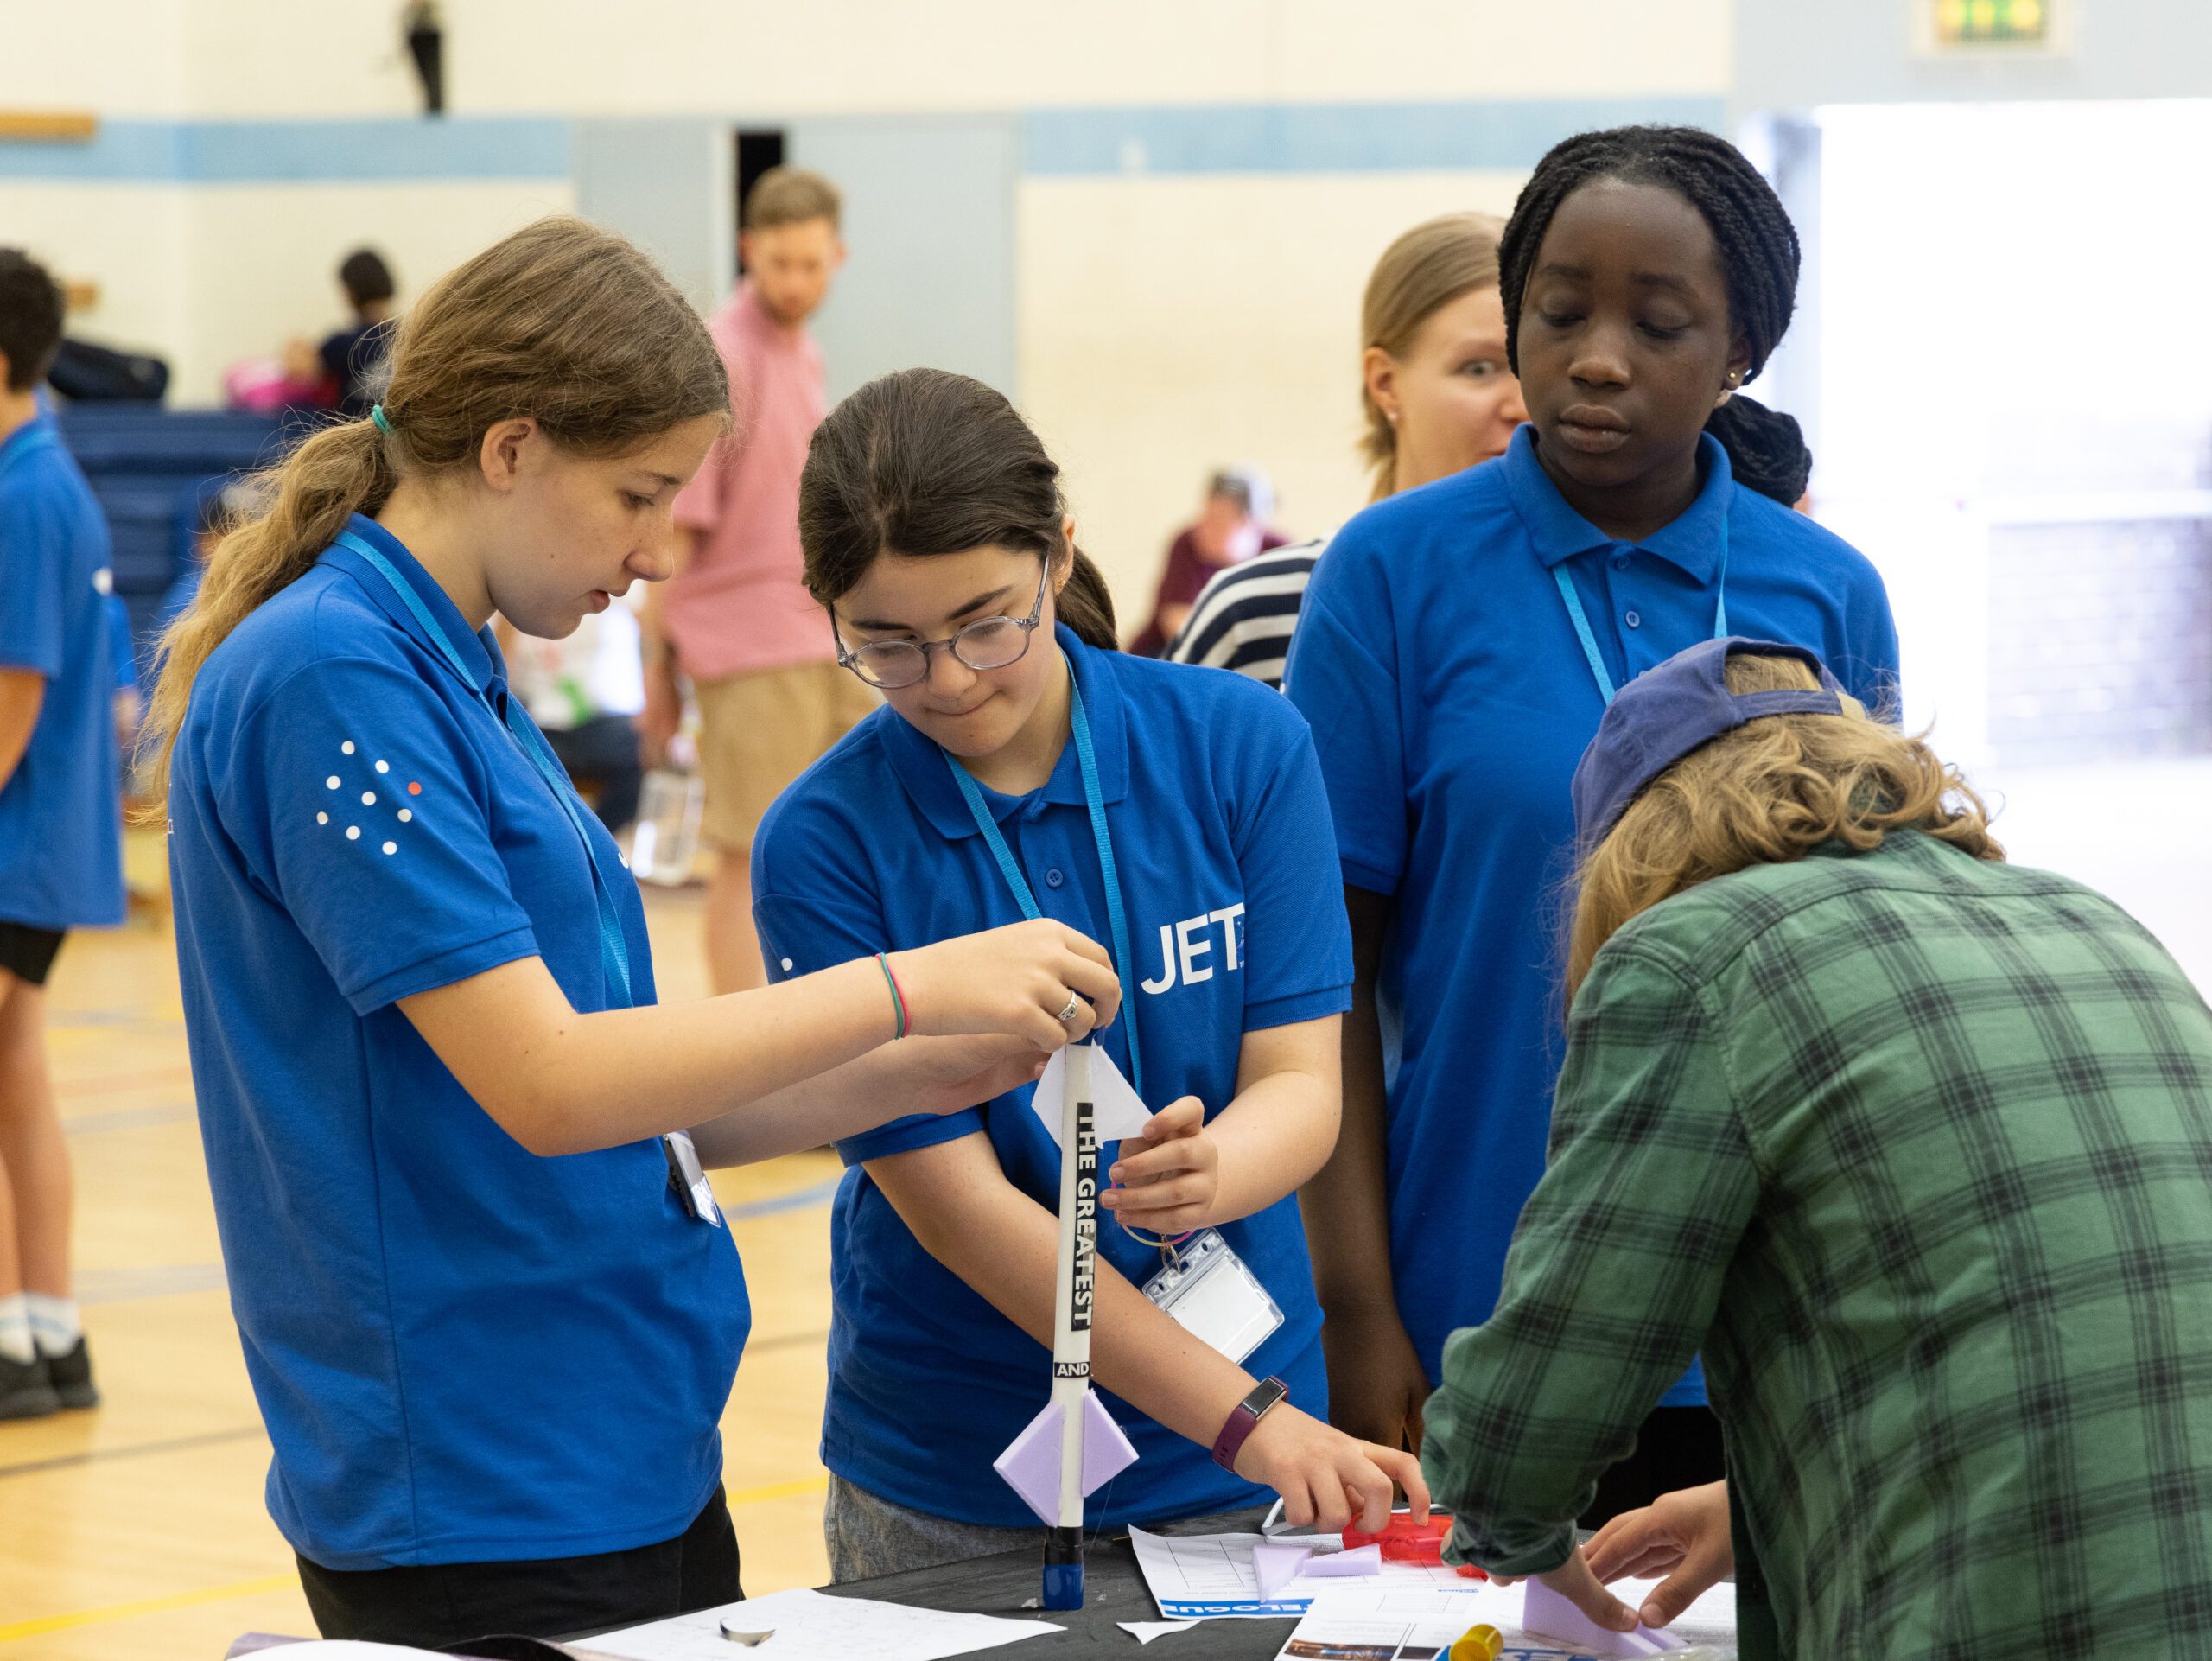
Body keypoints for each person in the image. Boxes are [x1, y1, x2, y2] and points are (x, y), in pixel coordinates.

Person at [144, 220, 1128, 1649]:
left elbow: (629, 1091)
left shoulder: (450, 666)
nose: (661, 552)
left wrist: (925, 1070)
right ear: (512, 448)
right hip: (490, 1481)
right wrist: (907, 986)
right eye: (640, 495)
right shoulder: (334, 677)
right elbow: (550, 1085)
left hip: (615, 1444)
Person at [1287, 125, 1902, 1524]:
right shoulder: (1390, 575)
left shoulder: (1830, 593)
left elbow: (1873, 957)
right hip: (1479, 1302)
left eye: (1658, 323)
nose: (1598, 358)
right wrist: (1356, 1304)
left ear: (1742, 350)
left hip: (1771, 1313)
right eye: (1559, 313)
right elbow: (1325, 975)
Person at [752, 368, 1429, 1581]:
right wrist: (1245, 1419)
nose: (950, 679)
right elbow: (959, 1211)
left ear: (1058, 554)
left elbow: (1302, 1083)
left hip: (1245, 1458)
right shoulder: (823, 840)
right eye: (888, 646)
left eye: (987, 623)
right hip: (959, 1475)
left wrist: (1221, 1168)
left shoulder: (1240, 745)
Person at [1423, 639, 2212, 1660]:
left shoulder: (1689, 956)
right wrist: (1756, 1500)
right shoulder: (2094, 919)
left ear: (1633, 845)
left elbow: (1538, 1408)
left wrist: (1513, 1526)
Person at [638, 166, 860, 994]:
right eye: (779, 264)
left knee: (835, 848)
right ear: (747, 251)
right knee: (751, 856)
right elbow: (673, 529)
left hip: (823, 637)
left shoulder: (806, 350)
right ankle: (746, 1055)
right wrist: (655, 670)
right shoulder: (722, 354)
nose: (795, 282)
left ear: (839, 256)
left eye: (811, 264)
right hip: (745, 648)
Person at [1168, 213, 1523, 687]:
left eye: (1537, 368)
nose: (1523, 406)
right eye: (1479, 368)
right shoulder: (1256, 616)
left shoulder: (1599, 602)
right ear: (1385, 382)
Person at [0, 249, 121, 1420]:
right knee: (17, 1073)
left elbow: (13, 696)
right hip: (41, 849)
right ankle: (48, 1328)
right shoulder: (49, 477)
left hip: (14, 845)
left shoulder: (23, 494)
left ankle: (9, 1338)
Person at [496, 593, 647, 833]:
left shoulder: (596, 594)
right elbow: (497, 671)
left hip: (589, 719)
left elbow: (643, 616)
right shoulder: (513, 605)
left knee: (641, 745)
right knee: (511, 752)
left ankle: (597, 836)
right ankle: (549, 837)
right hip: (535, 720)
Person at [1127, 467, 1288, 658]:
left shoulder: (1278, 552)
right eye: (1206, 515)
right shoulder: (1187, 543)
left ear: (1251, 524)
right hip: (1168, 655)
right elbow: (1177, 624)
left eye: (1219, 521)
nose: (1205, 528)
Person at [319, 248, 397, 418]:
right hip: (405, 432)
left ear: (351, 292)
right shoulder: (413, 336)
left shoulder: (341, 344)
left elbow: (302, 375)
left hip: (353, 432)